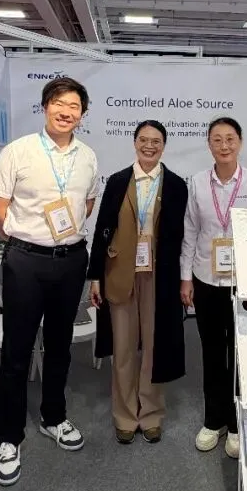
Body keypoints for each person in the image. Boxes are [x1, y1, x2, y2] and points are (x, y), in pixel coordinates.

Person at [0, 76, 99, 486]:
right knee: (16, 351)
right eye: (59, 103)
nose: (66, 112)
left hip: (71, 261)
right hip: (26, 262)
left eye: (74, 106)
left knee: (60, 346)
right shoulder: (19, 151)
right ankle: (8, 437)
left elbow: (87, 203)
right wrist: (23, 240)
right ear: (46, 106)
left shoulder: (88, 156)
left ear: (82, 114)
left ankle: (54, 417)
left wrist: (61, 237)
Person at [88, 120, 188, 445]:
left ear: (163, 146)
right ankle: (125, 415)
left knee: (155, 347)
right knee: (123, 348)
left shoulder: (175, 185)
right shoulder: (118, 182)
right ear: (134, 143)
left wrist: (183, 279)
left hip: (160, 277)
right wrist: (94, 276)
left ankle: (151, 414)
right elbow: (102, 229)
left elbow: (182, 236)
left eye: (156, 141)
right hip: (120, 273)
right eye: (144, 140)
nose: (149, 146)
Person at [180, 117, 247, 459]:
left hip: (241, 282)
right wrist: (185, 277)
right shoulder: (197, 183)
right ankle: (213, 420)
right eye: (217, 139)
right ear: (209, 144)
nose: (224, 145)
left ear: (240, 142)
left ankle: (235, 424)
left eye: (230, 139)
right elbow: (191, 231)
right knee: (211, 351)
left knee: (239, 354)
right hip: (205, 279)